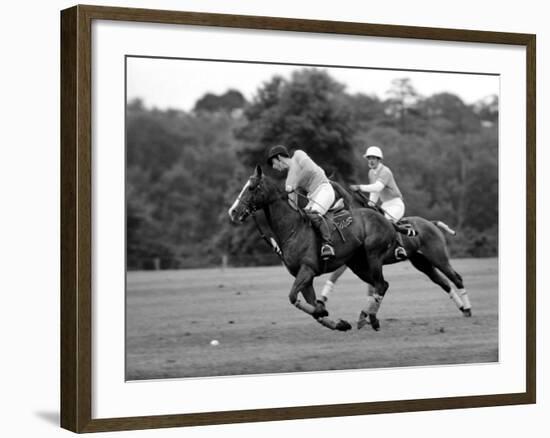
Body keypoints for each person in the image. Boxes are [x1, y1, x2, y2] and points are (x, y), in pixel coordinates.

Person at [267, 145, 336, 260]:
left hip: (325, 189)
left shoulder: (298, 155)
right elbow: (293, 204)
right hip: (313, 197)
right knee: (303, 219)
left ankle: (328, 245)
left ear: (279, 157)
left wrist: (294, 185)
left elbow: (309, 169)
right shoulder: (288, 180)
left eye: (273, 163)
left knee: (313, 213)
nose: (274, 167)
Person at [349, 145, 408, 260]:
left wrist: (359, 187)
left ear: (379, 159)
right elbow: (375, 193)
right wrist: (371, 203)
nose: (370, 161)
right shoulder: (371, 172)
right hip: (385, 205)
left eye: (373, 158)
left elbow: (377, 187)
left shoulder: (385, 171)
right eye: (369, 158)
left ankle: (400, 248)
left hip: (396, 204)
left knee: (387, 222)